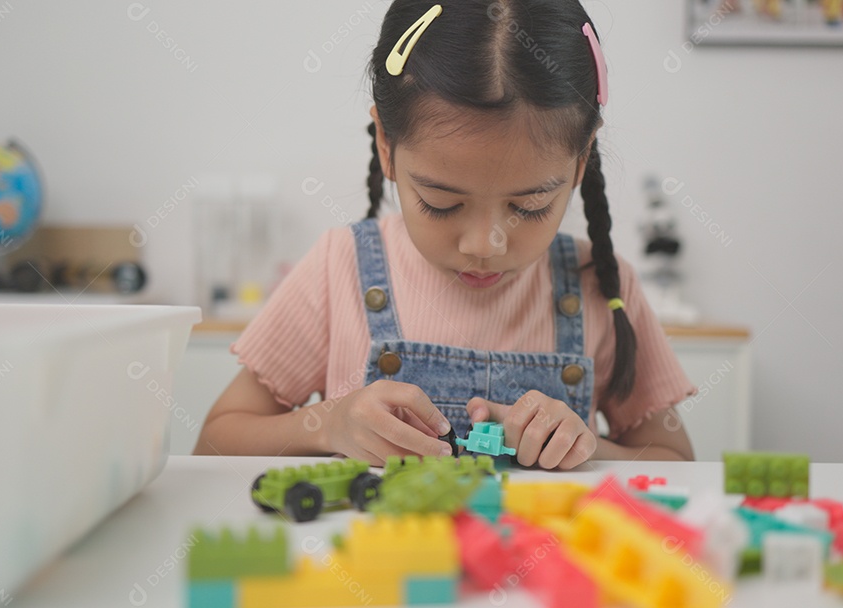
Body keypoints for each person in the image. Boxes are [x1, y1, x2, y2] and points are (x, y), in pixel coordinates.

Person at [195, 0, 697, 469]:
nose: (484, 245)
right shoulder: (339, 267)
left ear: (582, 161)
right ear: (386, 146)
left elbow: (676, 462)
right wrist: (327, 424)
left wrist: (588, 446)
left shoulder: (600, 286)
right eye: (442, 204)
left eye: (529, 207)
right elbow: (214, 441)